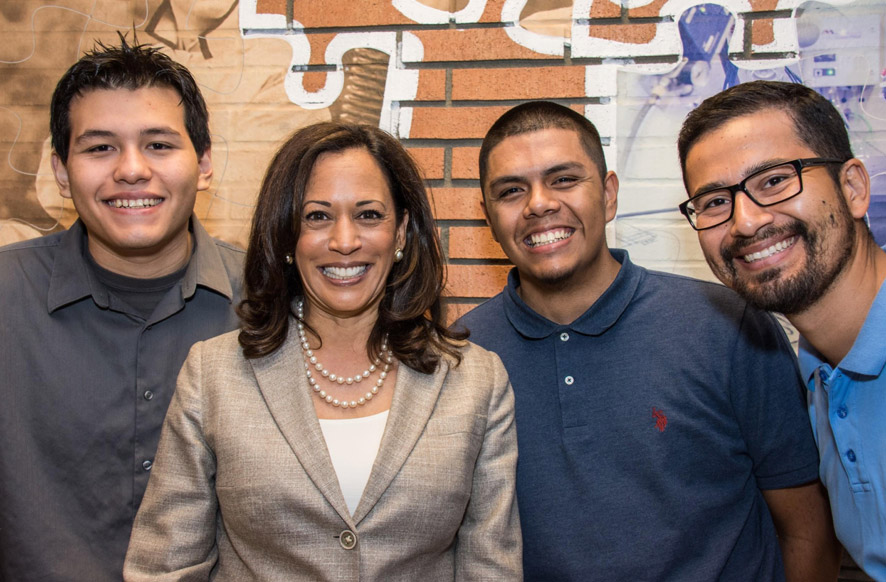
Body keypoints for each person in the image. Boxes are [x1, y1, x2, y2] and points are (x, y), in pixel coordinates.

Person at [457, 100, 841, 581]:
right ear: (488, 215)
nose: (539, 204)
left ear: (609, 194)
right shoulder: (460, 353)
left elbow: (807, 529)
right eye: (511, 190)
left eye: (564, 179)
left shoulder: (726, 324)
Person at [123, 122, 521, 580]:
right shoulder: (212, 374)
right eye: (317, 216)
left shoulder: (475, 380)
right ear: (287, 235)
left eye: (369, 215)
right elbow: (166, 567)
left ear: (401, 232)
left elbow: (491, 567)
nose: (345, 240)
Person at [0, 38, 244, 581]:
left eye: (158, 145)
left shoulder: (271, 304)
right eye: (100, 148)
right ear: (61, 171)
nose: (131, 170)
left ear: (203, 163)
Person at [678, 80, 886, 580]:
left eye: (773, 180)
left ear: (853, 188)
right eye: (714, 202)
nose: (745, 222)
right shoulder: (815, 379)